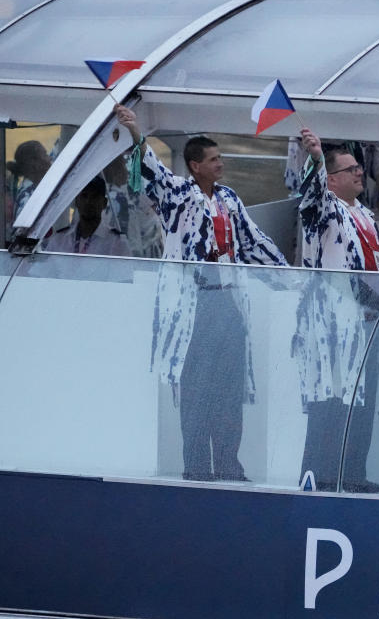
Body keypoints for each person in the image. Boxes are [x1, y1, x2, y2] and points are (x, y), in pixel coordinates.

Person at [115, 103, 288, 482]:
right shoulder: (178, 193)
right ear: (195, 165)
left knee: (228, 389)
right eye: (213, 159)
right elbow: (152, 173)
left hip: (226, 301)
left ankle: (229, 463)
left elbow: (253, 241)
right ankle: (196, 466)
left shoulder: (228, 199)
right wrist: (135, 133)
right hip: (194, 305)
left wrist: (289, 278)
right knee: (196, 391)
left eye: (220, 158)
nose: (220, 164)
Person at [292, 129, 379, 493]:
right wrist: (313, 157)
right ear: (332, 179)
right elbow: (310, 198)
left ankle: (353, 473)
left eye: (360, 167)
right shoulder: (327, 211)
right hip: (335, 326)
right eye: (351, 169)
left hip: (370, 322)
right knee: (331, 402)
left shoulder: (366, 215)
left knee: (362, 401)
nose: (360, 173)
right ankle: (318, 477)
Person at [42, 176, 129, 256]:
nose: (88, 201)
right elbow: (43, 271)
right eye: (84, 196)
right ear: (76, 201)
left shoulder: (116, 242)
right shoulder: (59, 240)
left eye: (95, 197)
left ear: (104, 203)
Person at [7, 139, 52, 224]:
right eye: (45, 154)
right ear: (34, 163)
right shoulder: (28, 199)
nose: (49, 159)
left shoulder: (35, 190)